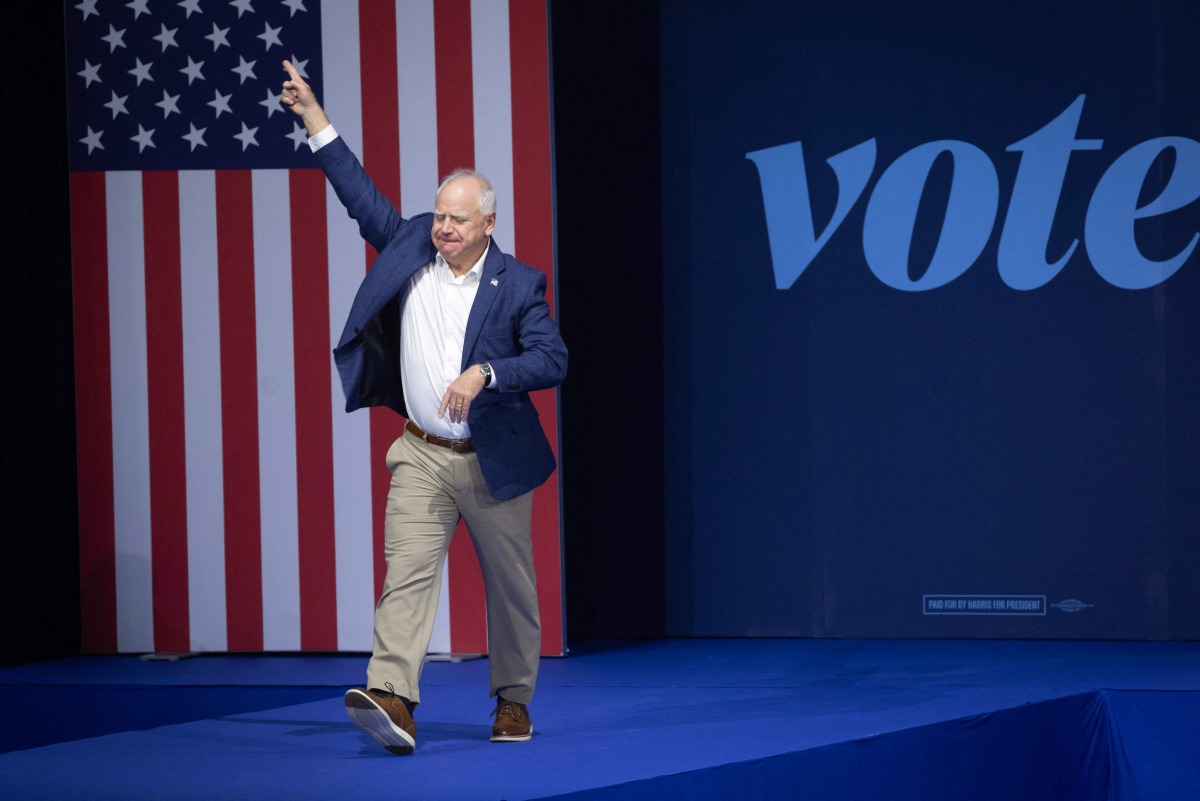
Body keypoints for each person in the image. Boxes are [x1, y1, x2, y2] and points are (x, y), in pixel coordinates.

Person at [280, 60, 567, 755]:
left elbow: (552, 359)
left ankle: (512, 700)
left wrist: (487, 370)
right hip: (421, 451)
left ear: (488, 223)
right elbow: (359, 194)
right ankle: (393, 699)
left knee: (511, 590)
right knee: (405, 573)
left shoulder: (521, 283)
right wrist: (314, 118)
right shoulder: (409, 244)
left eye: (456, 218)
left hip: (493, 455)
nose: (441, 227)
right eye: (438, 214)